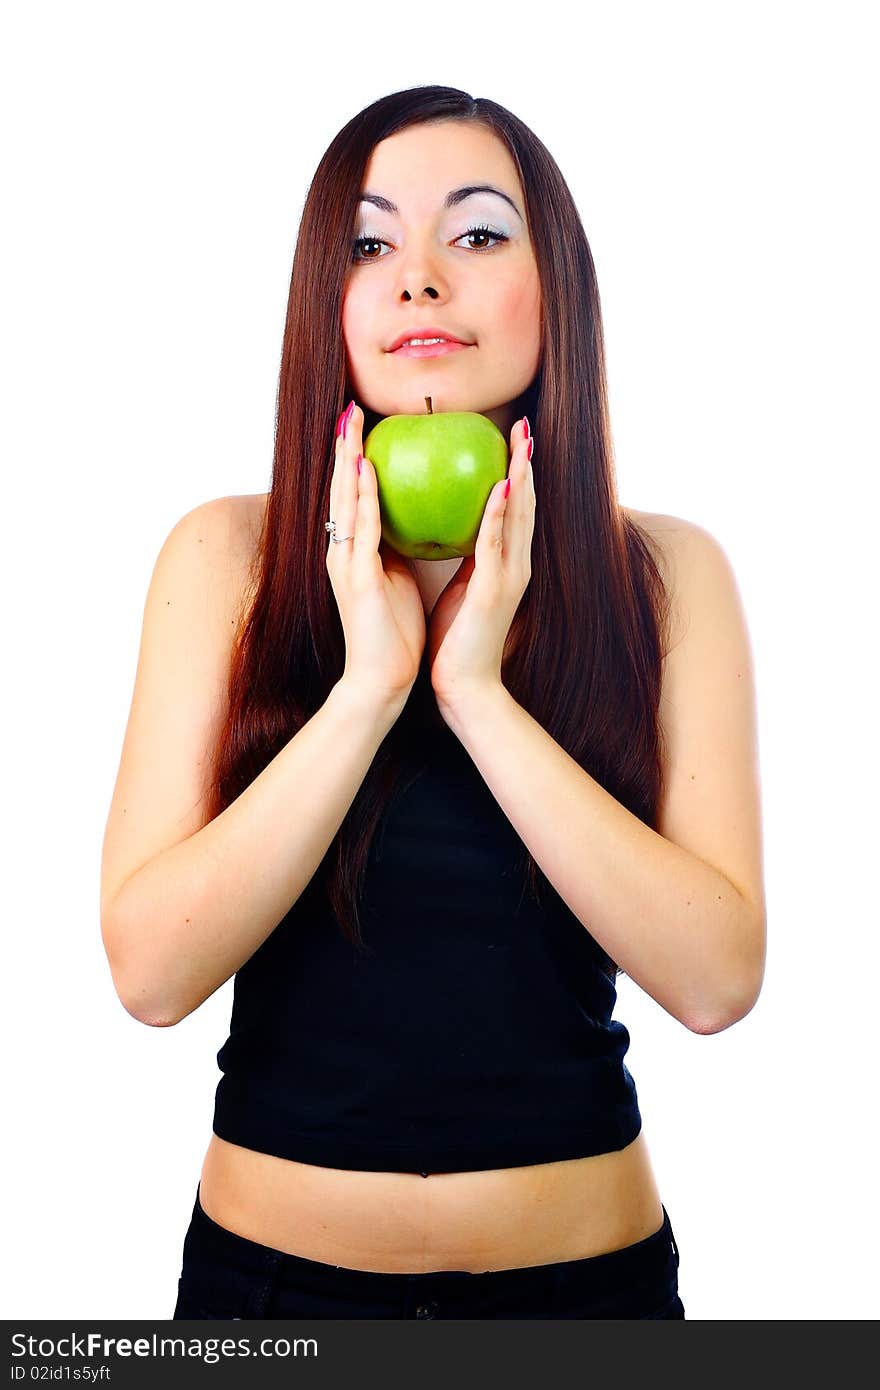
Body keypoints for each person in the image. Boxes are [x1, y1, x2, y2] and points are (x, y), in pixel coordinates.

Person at [100, 86, 766, 1320]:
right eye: (368, 243)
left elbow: (717, 978)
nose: (418, 280)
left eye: (473, 234)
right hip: (268, 1299)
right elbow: (149, 973)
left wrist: (477, 695)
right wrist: (368, 689)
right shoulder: (227, 559)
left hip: (588, 1294)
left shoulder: (665, 577)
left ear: (552, 285)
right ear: (328, 301)